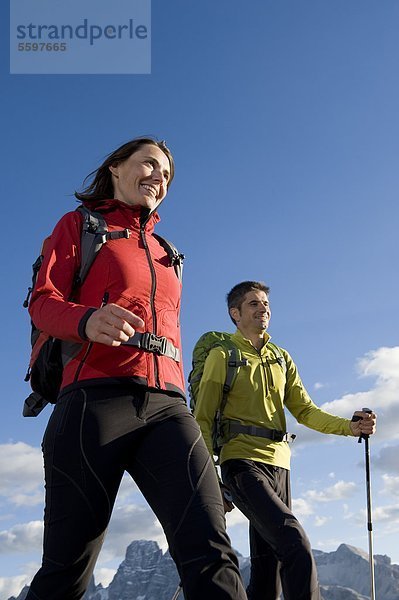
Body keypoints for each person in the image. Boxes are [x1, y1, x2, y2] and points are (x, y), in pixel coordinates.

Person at [26, 137, 247, 600]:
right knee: (66, 572)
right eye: (148, 165)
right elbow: (43, 305)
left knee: (212, 551)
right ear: (116, 170)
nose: (158, 178)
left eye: (166, 174)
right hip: (93, 403)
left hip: (168, 409)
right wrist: (87, 320)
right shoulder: (80, 226)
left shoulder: (169, 251)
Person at [194, 280, 377, 600]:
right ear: (235, 313)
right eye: (253, 303)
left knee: (267, 572)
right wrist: (210, 479)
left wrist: (350, 427)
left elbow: (306, 411)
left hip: (280, 465)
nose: (263, 308)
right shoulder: (223, 356)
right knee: (295, 544)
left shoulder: (281, 357)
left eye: (265, 303)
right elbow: (204, 420)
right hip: (241, 463)